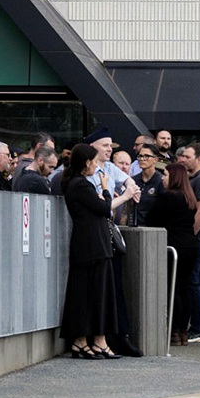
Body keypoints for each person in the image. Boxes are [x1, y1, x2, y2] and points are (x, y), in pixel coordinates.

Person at [61, 143, 138, 360]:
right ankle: (83, 340)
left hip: (93, 244)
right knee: (87, 293)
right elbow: (104, 208)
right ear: (86, 163)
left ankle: (91, 341)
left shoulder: (78, 184)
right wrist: (106, 189)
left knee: (95, 293)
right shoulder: (79, 185)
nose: (97, 166)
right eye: (94, 162)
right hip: (90, 245)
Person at [142, 161, 199, 347]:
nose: (163, 178)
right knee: (185, 288)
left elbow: (151, 218)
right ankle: (183, 330)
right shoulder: (189, 197)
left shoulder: (168, 197)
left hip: (173, 246)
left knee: (172, 289)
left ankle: (173, 330)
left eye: (165, 175)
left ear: (174, 177)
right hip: (190, 244)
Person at [178, 143, 200, 342]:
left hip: (197, 238)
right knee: (192, 281)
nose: (183, 159)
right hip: (195, 237)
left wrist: (189, 236)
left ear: (199, 158)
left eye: (187, 156)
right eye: (182, 156)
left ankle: (199, 328)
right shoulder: (193, 178)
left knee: (193, 281)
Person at [129, 144, 166, 225]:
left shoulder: (161, 181)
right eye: (140, 156)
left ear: (155, 159)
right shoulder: (133, 180)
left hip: (154, 229)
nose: (142, 159)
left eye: (146, 156)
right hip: (135, 226)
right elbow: (127, 209)